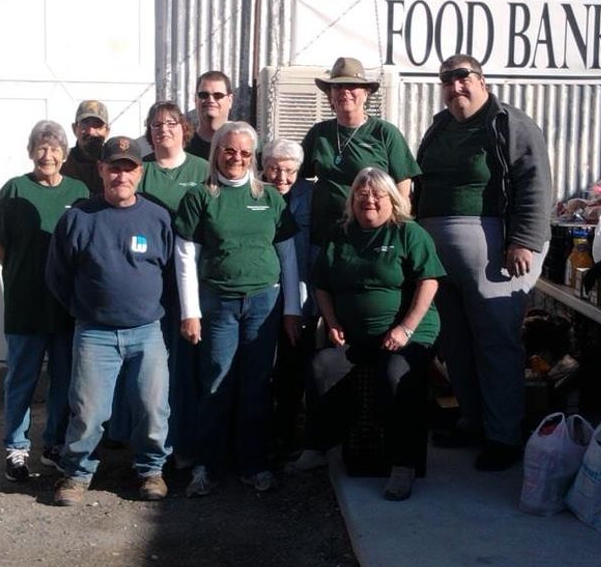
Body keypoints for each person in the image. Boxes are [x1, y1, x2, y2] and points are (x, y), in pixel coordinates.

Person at [415, 54, 552, 471]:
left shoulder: (509, 123)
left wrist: (523, 240)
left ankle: (504, 435)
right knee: (455, 342)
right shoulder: (440, 126)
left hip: (494, 249)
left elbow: (535, 181)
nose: (455, 86)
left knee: (496, 341)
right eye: (447, 80)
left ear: (482, 79)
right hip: (441, 256)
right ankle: (471, 420)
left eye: (462, 77)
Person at [291, 167, 445, 501]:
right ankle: (319, 446)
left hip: (407, 336)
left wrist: (405, 328)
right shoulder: (341, 233)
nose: (370, 201)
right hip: (355, 338)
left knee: (396, 375)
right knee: (321, 367)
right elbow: (322, 285)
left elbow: (428, 281)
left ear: (392, 199)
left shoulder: (408, 233)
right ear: (352, 201)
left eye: (377, 195)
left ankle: (403, 464)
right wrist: (331, 322)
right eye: (362, 195)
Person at [173, 121, 302, 496]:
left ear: (254, 156)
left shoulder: (269, 197)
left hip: (265, 302)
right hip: (218, 303)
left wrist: (292, 309)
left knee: (257, 385)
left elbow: (288, 256)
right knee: (216, 380)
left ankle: (253, 464)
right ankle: (207, 466)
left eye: (246, 152)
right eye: (230, 150)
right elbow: (185, 255)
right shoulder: (200, 196)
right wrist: (190, 311)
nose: (237, 158)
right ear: (216, 153)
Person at [45, 136, 174, 504]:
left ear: (140, 172)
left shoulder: (157, 217)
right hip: (95, 334)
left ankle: (151, 471)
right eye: (114, 167)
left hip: (147, 331)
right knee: (88, 411)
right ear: (101, 170)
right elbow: (57, 276)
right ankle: (76, 474)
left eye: (128, 167)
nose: (121, 174)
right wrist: (86, 308)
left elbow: (168, 274)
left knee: (152, 408)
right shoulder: (78, 218)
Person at [0, 120, 90, 482]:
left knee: (65, 379)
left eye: (55, 148)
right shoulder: (14, 190)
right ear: (31, 152)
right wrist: (20, 271)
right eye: (41, 147)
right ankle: (16, 449)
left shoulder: (79, 191)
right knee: (22, 379)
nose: (48, 154)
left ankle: (54, 445)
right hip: (25, 304)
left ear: (64, 154)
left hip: (64, 305)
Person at [137, 101, 209, 466]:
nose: (163, 129)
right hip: (149, 283)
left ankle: (186, 443)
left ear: (184, 128)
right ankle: (152, 446)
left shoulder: (203, 169)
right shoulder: (141, 170)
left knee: (187, 368)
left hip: (193, 284)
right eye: (155, 124)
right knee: (153, 368)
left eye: (170, 122)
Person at [300, 57, 420, 249]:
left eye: (352, 86)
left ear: (366, 94)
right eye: (337, 87)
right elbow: (295, 177)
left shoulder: (384, 132)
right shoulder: (319, 133)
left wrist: (394, 231)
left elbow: (403, 189)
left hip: (370, 238)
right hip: (325, 238)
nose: (344, 92)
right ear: (330, 95)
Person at [260, 139, 316, 457]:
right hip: (264, 289)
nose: (281, 177)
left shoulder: (311, 195)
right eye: (274, 168)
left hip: (302, 289)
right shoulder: (254, 192)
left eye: (290, 170)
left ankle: (286, 429)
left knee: (293, 363)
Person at [61, 99, 111, 194]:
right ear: (74, 128)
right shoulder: (61, 162)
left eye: (97, 126)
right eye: (85, 125)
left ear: (107, 131)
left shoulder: (114, 162)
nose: (91, 132)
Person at [186, 71, 233, 159]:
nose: (211, 100)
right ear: (196, 100)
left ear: (230, 100)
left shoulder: (244, 147)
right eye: (204, 95)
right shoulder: (182, 147)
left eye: (218, 95)